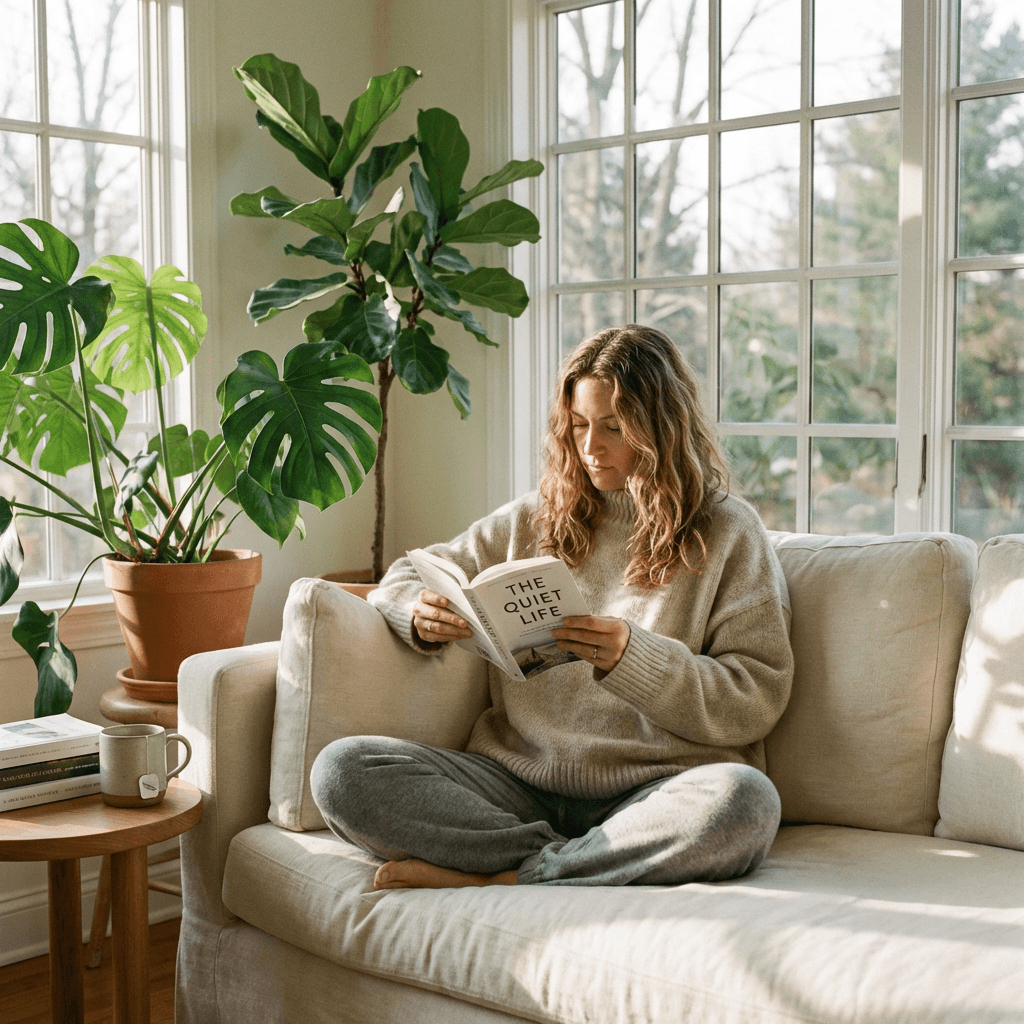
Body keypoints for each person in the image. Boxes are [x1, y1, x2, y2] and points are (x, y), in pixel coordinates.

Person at [311, 324, 794, 890]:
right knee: (342, 770)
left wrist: (635, 660)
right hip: (515, 785)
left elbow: (755, 697)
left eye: (614, 427)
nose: (591, 448)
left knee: (744, 803)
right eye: (580, 426)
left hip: (656, 790)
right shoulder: (534, 517)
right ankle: (570, 865)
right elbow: (406, 572)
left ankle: (512, 876)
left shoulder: (729, 531)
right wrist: (417, 611)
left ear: (662, 427)